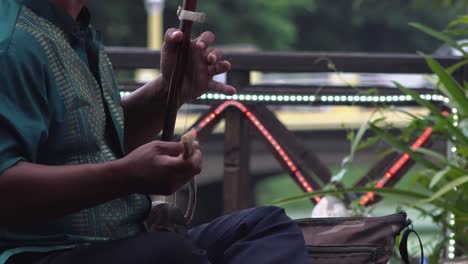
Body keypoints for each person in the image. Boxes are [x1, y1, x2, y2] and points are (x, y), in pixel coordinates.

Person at [0, 0, 309, 263]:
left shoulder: (74, 30)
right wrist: (126, 176)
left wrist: (168, 91)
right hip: (43, 253)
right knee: (170, 253)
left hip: (119, 241)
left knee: (265, 226)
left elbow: (97, 141)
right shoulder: (12, 41)